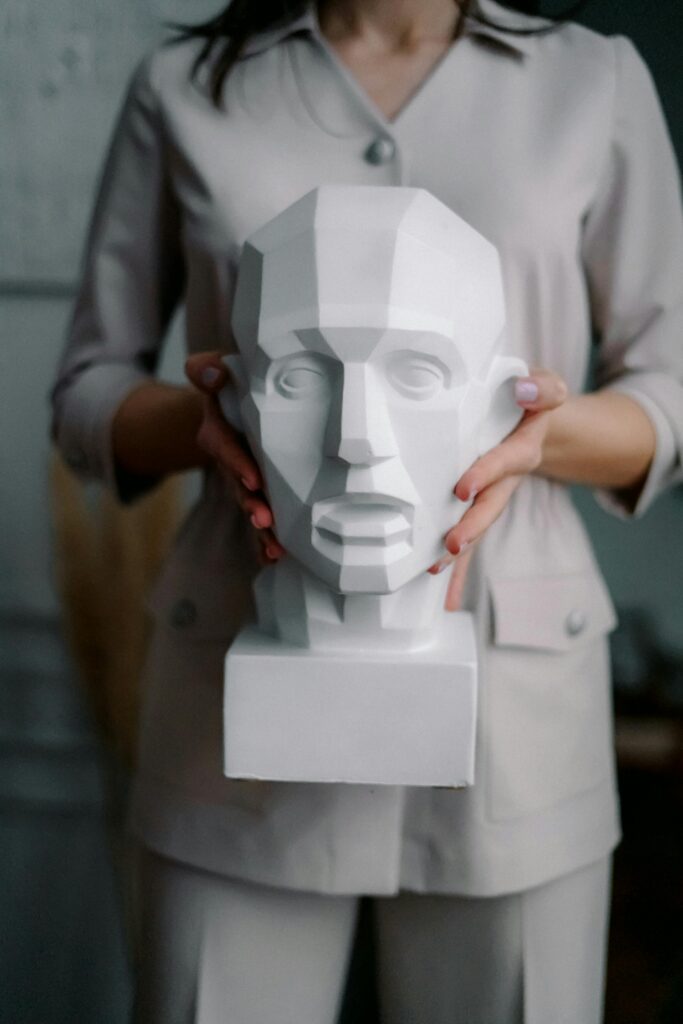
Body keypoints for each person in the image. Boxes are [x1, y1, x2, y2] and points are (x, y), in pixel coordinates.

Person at [50, 1, 683, 1021]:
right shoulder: (184, 89)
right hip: (232, 679)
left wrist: (529, 440)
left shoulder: (589, 81)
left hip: (509, 708)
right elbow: (85, 390)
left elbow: (671, 391)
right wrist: (209, 424)